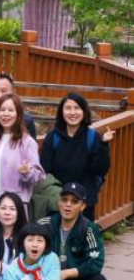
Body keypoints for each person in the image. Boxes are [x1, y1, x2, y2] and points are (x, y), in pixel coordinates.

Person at [38, 182, 110, 280]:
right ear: (59, 202)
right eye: (64, 200)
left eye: (74, 201)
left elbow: (95, 263)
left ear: (82, 206)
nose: (68, 205)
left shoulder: (89, 229)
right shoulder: (44, 225)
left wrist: (67, 273)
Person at [40, 93, 113, 221]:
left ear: (84, 111)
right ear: (61, 112)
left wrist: (103, 145)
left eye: (77, 108)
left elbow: (100, 170)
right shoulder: (53, 137)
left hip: (84, 202)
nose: (72, 112)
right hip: (57, 200)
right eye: (68, 108)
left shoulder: (93, 137)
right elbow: (44, 170)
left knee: (82, 233)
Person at [0, 94, 45, 215]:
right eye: (2, 110)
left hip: (14, 204)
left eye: (10, 110)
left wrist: (27, 172)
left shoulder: (27, 142)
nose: (6, 114)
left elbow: (38, 176)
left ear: (18, 114)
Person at [0, 192, 28, 280]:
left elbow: (29, 274)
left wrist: (2, 268)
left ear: (19, 213)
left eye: (12, 209)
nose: (7, 213)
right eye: (3, 208)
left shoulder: (27, 240)